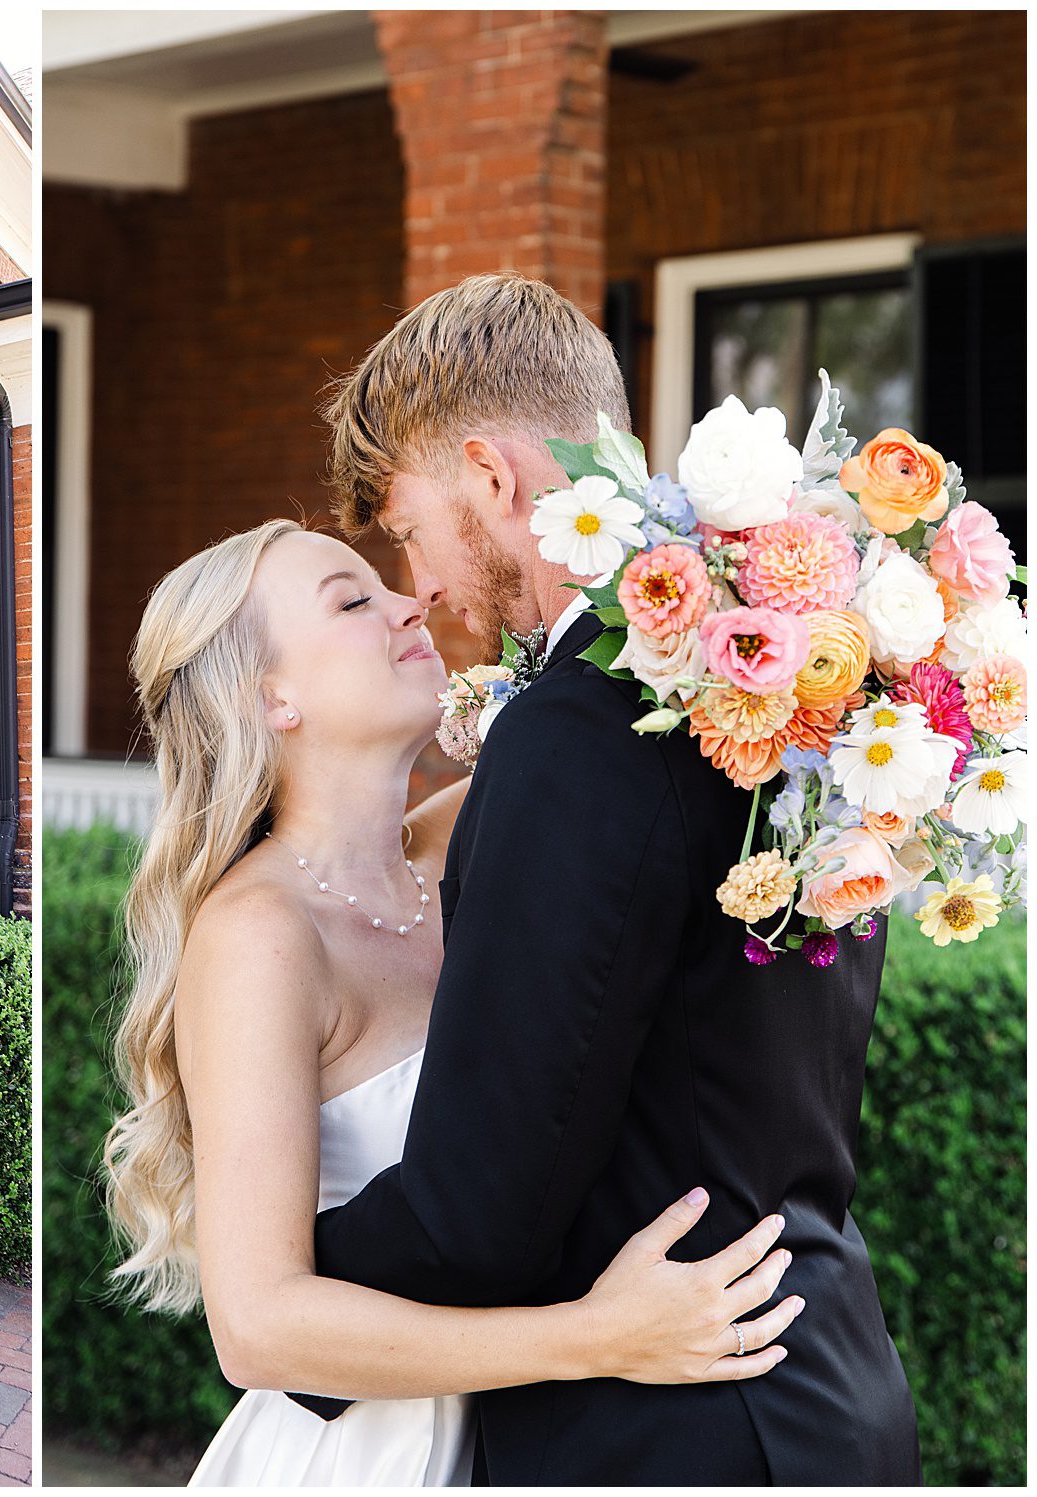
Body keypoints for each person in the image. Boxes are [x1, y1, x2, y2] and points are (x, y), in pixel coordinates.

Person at [303, 272, 917, 1482]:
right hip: (827, 1384)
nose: (414, 585)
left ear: (487, 476)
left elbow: (476, 1219)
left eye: (405, 528)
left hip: (672, 1436)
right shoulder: (781, 692)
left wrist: (271, 1293)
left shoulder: (579, 729)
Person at [104, 521, 801, 1486]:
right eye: (353, 601)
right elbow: (258, 1328)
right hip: (370, 1454)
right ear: (273, 697)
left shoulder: (467, 839)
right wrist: (595, 1338)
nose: (409, 600)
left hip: (537, 1437)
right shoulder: (259, 936)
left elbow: (623, 747)